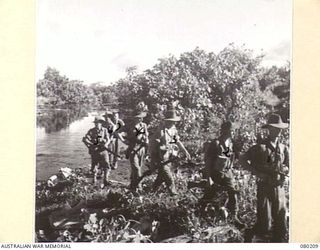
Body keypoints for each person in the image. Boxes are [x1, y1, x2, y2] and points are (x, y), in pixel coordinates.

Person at [240, 114, 289, 242]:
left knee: (281, 224)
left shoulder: (284, 148)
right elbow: (243, 160)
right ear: (269, 129)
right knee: (265, 224)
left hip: (279, 188)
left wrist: (286, 170)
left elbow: (289, 165)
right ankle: (250, 234)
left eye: (279, 128)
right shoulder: (259, 147)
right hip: (265, 187)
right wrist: (258, 173)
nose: (278, 131)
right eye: (275, 128)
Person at [204, 121, 244, 228]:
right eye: (231, 130)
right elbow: (208, 162)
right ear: (225, 130)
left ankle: (234, 217)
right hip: (216, 173)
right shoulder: (215, 144)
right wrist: (209, 179)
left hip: (228, 172)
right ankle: (202, 211)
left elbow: (239, 157)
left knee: (233, 192)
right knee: (211, 194)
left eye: (233, 130)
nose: (233, 132)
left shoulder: (232, 143)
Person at [149, 106, 191, 195]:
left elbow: (177, 141)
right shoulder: (161, 131)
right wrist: (152, 160)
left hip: (168, 157)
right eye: (171, 121)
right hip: (160, 157)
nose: (173, 123)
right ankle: (174, 194)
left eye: (174, 121)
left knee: (161, 176)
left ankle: (152, 190)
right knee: (169, 178)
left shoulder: (173, 129)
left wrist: (185, 151)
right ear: (167, 121)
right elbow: (153, 146)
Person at [82, 116, 111, 188]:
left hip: (103, 151)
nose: (96, 124)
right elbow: (85, 139)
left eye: (98, 123)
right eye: (95, 123)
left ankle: (106, 180)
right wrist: (90, 146)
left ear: (101, 123)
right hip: (95, 151)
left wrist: (106, 144)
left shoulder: (105, 130)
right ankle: (94, 180)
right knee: (94, 166)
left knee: (106, 165)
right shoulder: (91, 131)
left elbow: (108, 139)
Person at [125, 110, 149, 194]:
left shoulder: (144, 125)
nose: (141, 119)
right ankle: (139, 187)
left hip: (141, 149)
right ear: (134, 118)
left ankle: (132, 185)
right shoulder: (130, 127)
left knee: (139, 167)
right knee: (136, 169)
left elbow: (146, 135)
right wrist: (124, 141)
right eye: (139, 118)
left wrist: (146, 141)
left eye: (141, 118)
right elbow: (131, 137)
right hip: (132, 149)